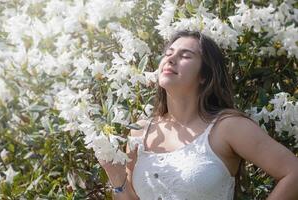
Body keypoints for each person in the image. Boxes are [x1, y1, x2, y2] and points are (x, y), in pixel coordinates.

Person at [99, 30, 298, 200]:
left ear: (204, 75)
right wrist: (116, 177)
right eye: (168, 53)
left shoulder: (228, 127)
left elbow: (294, 173)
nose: (171, 59)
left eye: (185, 55)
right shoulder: (140, 132)